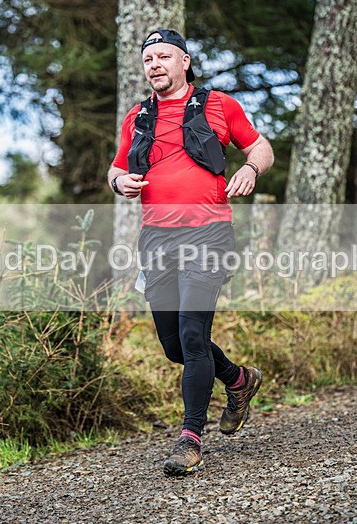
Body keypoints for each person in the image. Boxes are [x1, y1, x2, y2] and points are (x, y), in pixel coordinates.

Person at [107, 29, 274, 476]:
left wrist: (251, 169)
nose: (155, 64)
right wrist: (118, 182)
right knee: (175, 346)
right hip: (157, 240)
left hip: (209, 235)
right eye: (148, 59)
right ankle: (239, 380)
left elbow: (260, 147)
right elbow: (117, 167)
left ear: (184, 61)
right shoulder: (137, 117)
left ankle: (190, 439)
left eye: (164, 56)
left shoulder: (218, 105)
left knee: (194, 334)